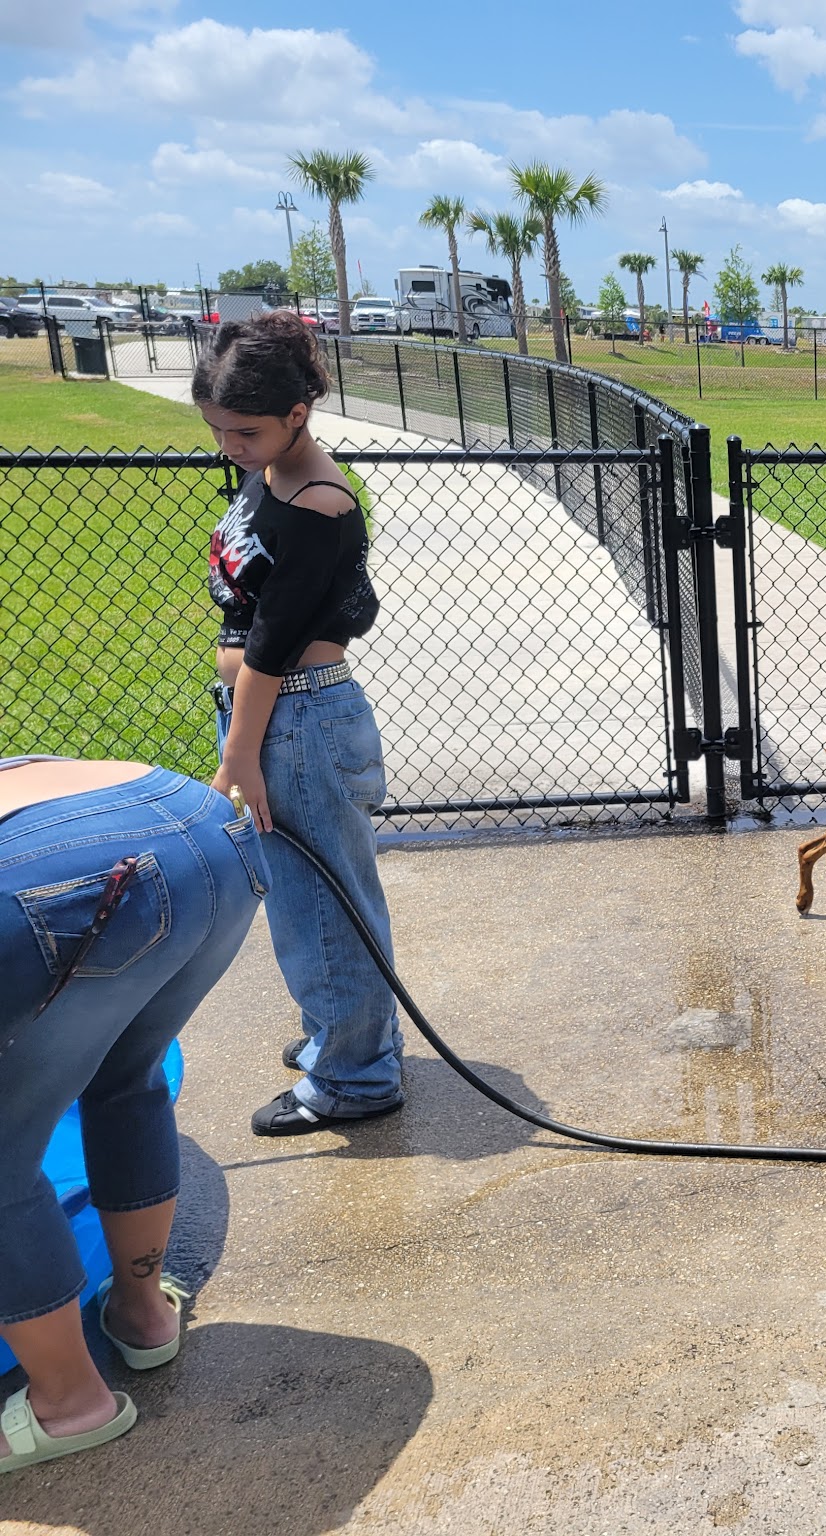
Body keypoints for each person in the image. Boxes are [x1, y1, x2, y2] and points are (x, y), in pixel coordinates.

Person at [0, 757, 264, 1473]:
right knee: (126, 1079)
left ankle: (69, 1404)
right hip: (210, 833)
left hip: (58, 883)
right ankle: (144, 1314)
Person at [194, 311, 405, 1136]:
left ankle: (355, 1076)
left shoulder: (317, 502)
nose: (229, 447)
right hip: (277, 716)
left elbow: (273, 647)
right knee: (308, 897)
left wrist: (239, 754)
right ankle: (347, 1037)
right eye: (218, 430)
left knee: (321, 905)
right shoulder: (272, 472)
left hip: (297, 719)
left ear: (297, 414)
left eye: (244, 432)